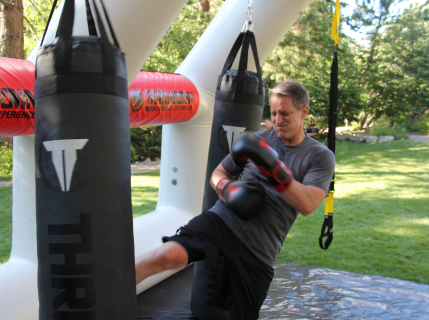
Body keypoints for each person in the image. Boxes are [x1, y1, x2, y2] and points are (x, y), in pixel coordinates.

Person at [135, 80, 336, 319]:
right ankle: (104, 296)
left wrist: (273, 167)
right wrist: (227, 188)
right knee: (167, 255)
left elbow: (308, 203)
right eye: (273, 113)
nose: (277, 120)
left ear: (304, 112)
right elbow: (218, 173)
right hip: (222, 221)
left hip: (259, 249)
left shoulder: (320, 156)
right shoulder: (256, 140)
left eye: (285, 113)